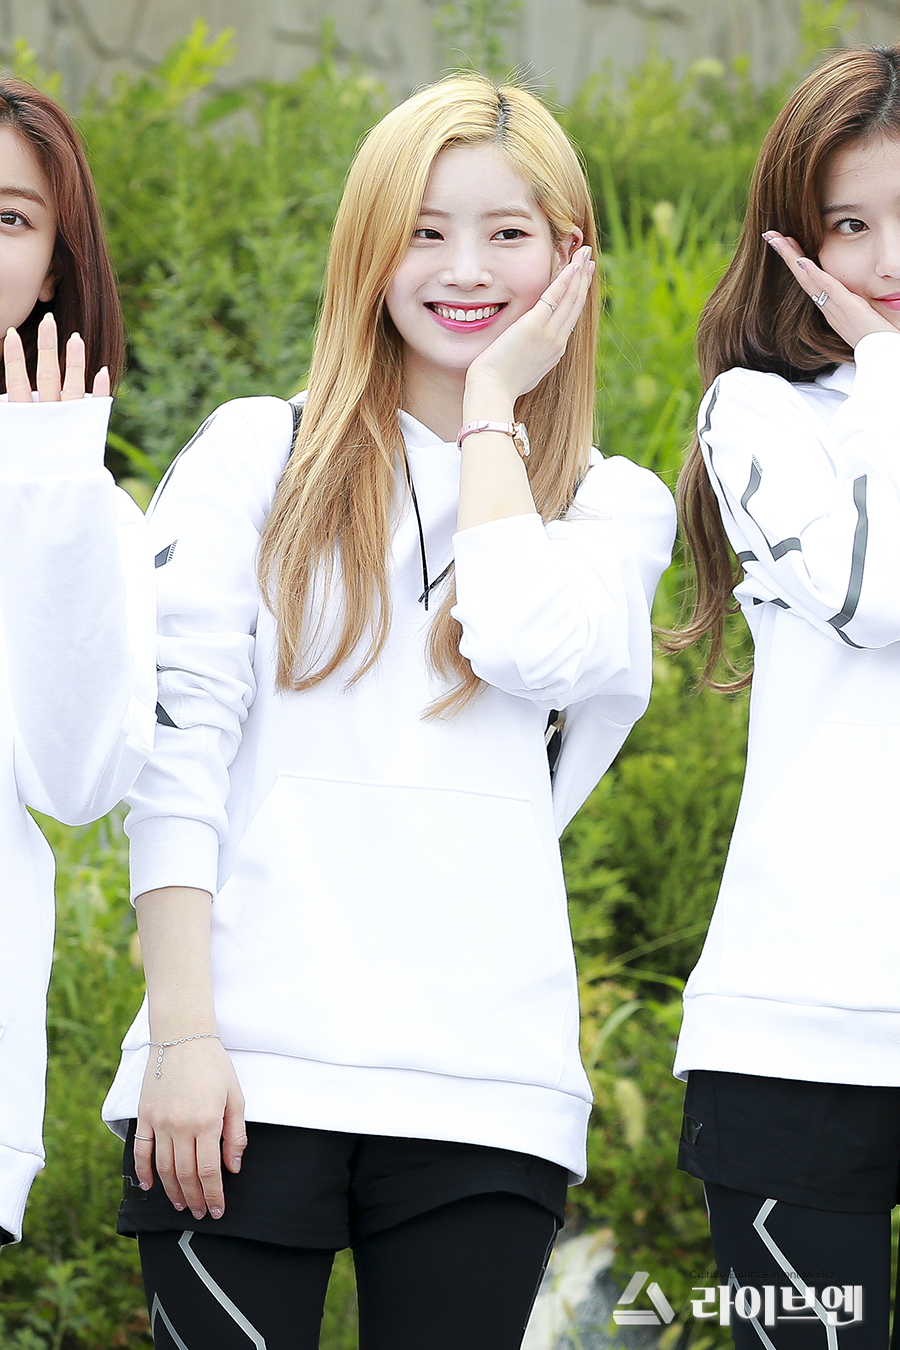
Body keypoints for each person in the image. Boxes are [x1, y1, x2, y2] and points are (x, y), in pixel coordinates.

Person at [102, 73, 675, 1350]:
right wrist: (183, 1037)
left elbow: (519, 641)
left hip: (487, 1089)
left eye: (508, 232)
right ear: (369, 247)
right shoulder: (258, 453)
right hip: (239, 1074)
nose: (465, 268)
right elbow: (176, 755)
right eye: (424, 229)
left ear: (571, 257)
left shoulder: (612, 508)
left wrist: (492, 416)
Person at [671, 42, 900, 1350]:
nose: (884, 261)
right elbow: (875, 591)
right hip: (798, 1036)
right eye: (849, 224)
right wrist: (888, 371)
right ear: (794, 240)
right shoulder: (757, 414)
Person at [0, 76, 155, 1247]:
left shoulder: (81, 508)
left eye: (8, 217)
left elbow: (78, 779)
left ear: (53, 267)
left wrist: (51, 491)